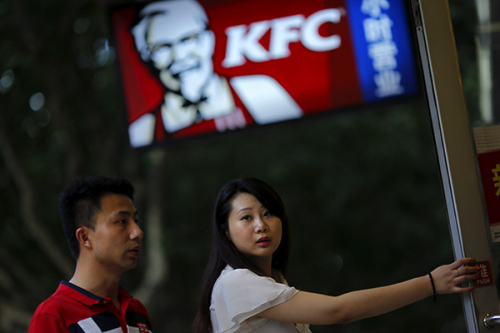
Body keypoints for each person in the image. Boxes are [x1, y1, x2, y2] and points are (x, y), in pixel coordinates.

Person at [192, 177, 479, 333]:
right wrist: (429, 283)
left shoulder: (272, 281)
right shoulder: (236, 282)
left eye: (268, 213)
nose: (261, 225)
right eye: (246, 218)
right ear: (226, 231)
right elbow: (339, 311)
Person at [128, 0, 302, 147]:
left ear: (209, 40)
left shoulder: (262, 91)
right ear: (145, 58)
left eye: (189, 39)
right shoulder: (142, 131)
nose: (179, 56)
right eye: (161, 48)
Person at [28, 176, 153, 333]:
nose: (138, 232)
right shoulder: (53, 315)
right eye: (122, 221)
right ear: (85, 237)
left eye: (136, 220)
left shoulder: (137, 310)